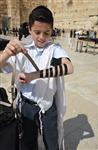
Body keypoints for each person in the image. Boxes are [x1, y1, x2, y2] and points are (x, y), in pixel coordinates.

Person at [0, 5, 73, 150]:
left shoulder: (54, 49)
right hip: (26, 106)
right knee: (27, 143)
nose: (42, 38)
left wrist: (34, 75)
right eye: (37, 32)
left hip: (47, 108)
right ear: (29, 30)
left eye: (47, 33)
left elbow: (68, 67)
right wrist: (6, 53)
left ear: (52, 30)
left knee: (51, 143)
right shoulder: (22, 49)